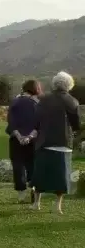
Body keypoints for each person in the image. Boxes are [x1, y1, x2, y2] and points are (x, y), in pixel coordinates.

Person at [30, 72, 81, 214]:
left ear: (54, 83)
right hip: (64, 143)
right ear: (69, 85)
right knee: (61, 176)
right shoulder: (73, 101)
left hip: (44, 141)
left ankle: (36, 203)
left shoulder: (44, 99)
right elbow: (76, 124)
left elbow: (36, 119)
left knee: (40, 174)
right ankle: (58, 206)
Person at [6, 80, 41, 203]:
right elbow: (39, 124)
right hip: (33, 140)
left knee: (18, 165)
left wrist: (20, 137)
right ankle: (34, 188)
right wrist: (29, 137)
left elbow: (11, 122)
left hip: (16, 140)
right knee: (33, 165)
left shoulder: (15, 102)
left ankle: (21, 194)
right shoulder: (38, 104)